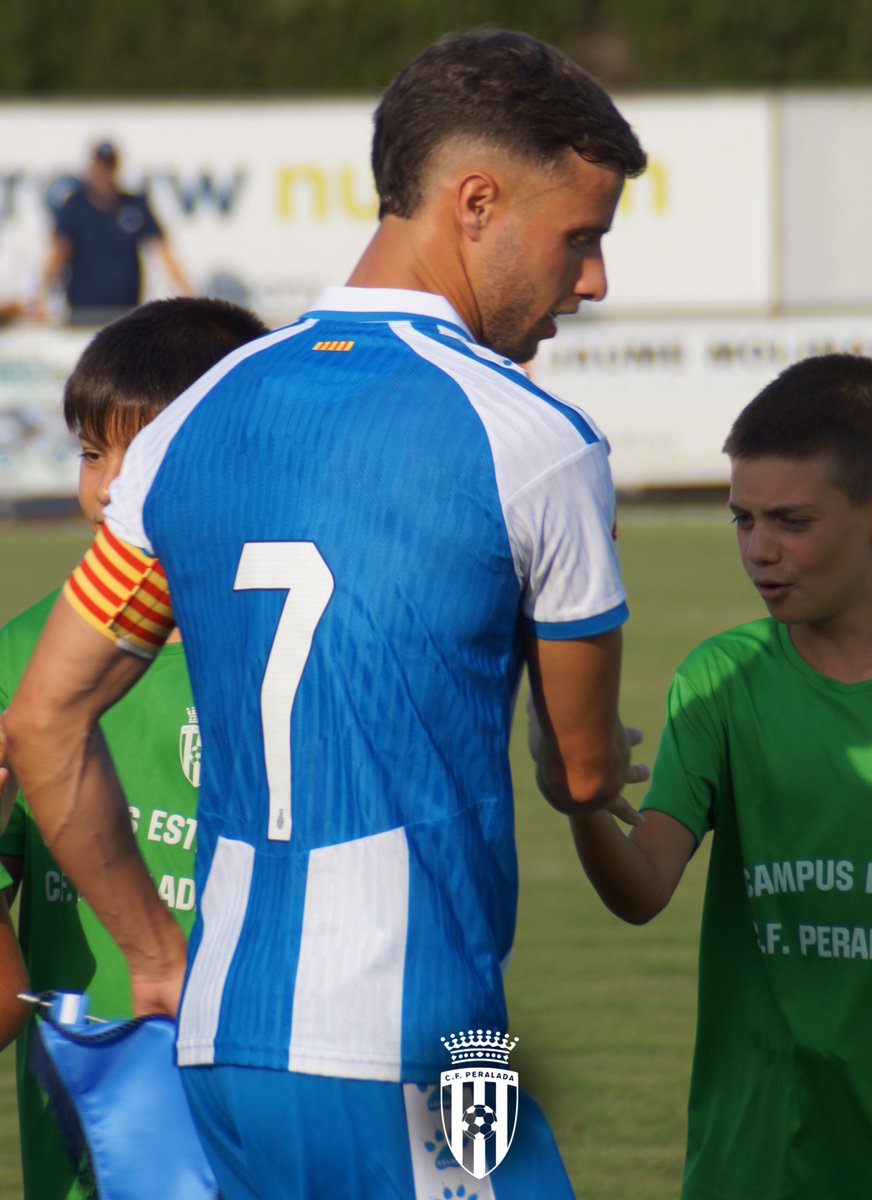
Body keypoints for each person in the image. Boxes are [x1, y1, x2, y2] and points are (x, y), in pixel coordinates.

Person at [4, 28, 647, 1199]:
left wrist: (154, 952)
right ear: (478, 203)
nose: (593, 280)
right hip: (421, 1040)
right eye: (581, 236)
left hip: (222, 1044)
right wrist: (581, 757)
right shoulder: (537, 441)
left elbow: (44, 718)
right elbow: (587, 771)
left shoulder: (194, 418)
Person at [564, 352, 872, 1198]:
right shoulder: (722, 679)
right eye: (742, 519)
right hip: (754, 1169)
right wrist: (582, 798)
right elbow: (642, 889)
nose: (759, 550)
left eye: (791, 521)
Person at [0, 296, 268, 1200]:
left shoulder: (306, 651)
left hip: (275, 1122)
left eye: (146, 454)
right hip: (92, 1158)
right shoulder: (21, 661)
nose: (111, 489)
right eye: (91, 453)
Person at [40, 141, 191, 326]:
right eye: (100, 167)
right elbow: (59, 253)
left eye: (108, 167)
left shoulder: (134, 205)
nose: (104, 174)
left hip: (125, 312)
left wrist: (188, 296)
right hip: (84, 311)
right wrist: (41, 296)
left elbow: (162, 252)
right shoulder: (75, 206)